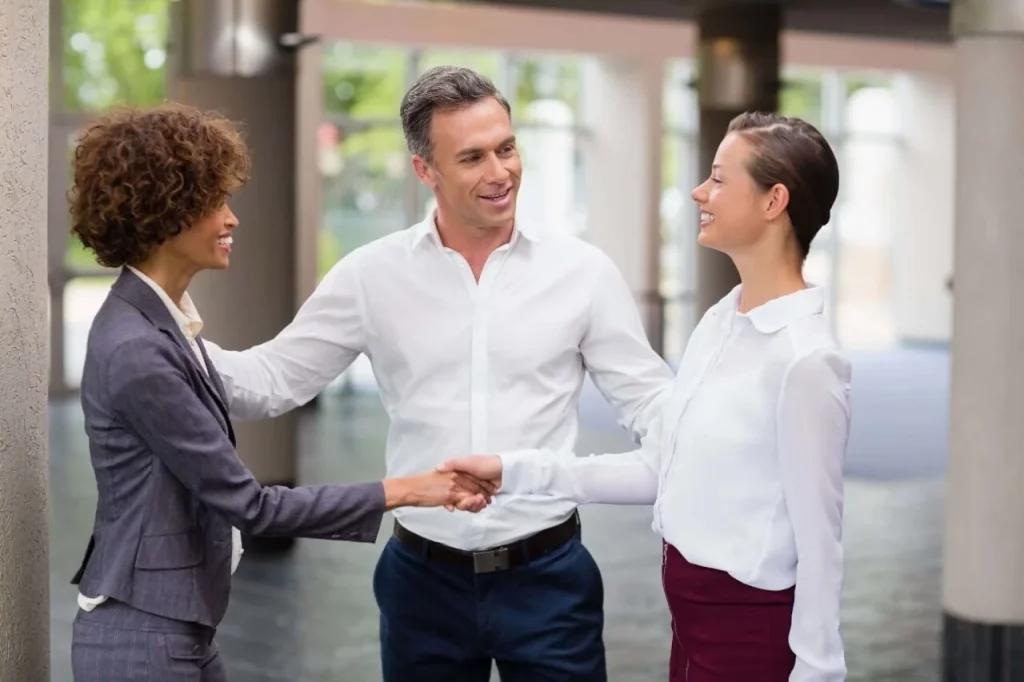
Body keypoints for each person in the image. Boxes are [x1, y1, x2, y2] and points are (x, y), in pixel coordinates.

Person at [203, 66, 675, 681]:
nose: (500, 172)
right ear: (425, 170)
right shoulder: (372, 276)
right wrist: (165, 328)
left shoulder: (582, 272)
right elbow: (268, 383)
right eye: (473, 157)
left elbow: (649, 400)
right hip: (421, 583)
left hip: (549, 579)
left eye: (506, 148)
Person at [66, 102, 492, 682]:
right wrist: (408, 490)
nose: (231, 219)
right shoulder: (139, 349)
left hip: (171, 629)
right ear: (165, 214)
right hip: (145, 640)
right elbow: (253, 507)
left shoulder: (159, 325)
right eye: (215, 203)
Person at [441, 112, 851, 682]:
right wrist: (511, 471)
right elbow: (662, 469)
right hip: (691, 621)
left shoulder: (807, 361)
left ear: (773, 200)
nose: (697, 191)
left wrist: (818, 670)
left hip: (750, 634)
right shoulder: (719, 322)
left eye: (719, 178)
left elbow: (821, 541)